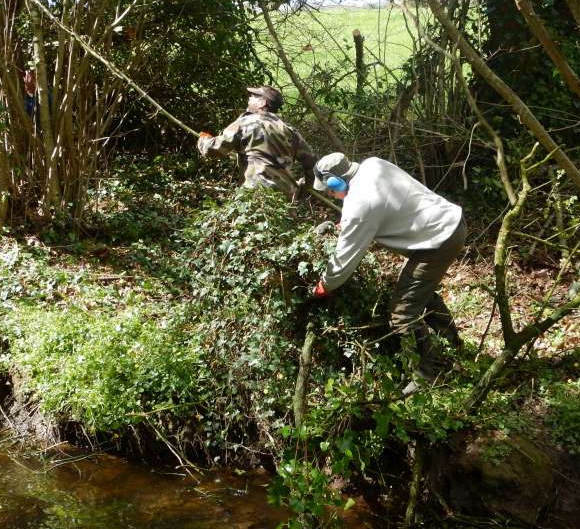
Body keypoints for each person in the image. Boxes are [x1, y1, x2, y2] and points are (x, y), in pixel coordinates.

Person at [311, 152, 467, 394]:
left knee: (402, 312)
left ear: (336, 182)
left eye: (329, 189)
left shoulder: (359, 205)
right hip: (449, 223)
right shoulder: (374, 165)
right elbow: (384, 205)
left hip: (437, 242)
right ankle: (453, 346)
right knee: (419, 293)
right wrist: (347, 226)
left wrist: (324, 285)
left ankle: (426, 375)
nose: (330, 194)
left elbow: (343, 262)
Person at [197, 86, 316, 195]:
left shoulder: (245, 123)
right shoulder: (289, 130)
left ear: (262, 103)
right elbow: (311, 161)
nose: (249, 99)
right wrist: (307, 187)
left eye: (253, 97)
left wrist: (204, 139)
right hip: (285, 195)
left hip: (254, 194)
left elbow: (212, 150)